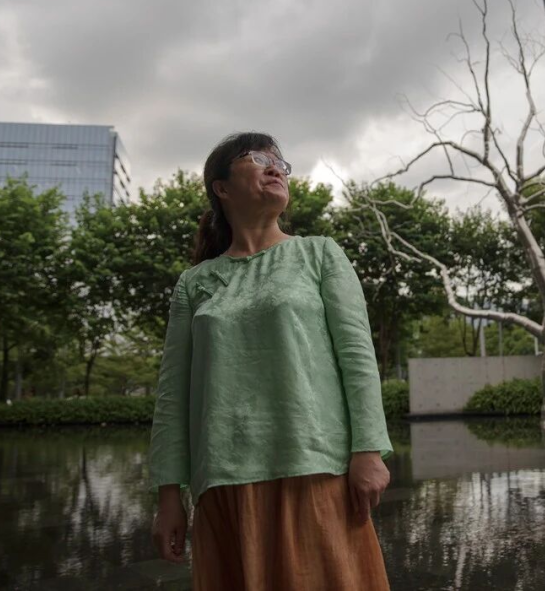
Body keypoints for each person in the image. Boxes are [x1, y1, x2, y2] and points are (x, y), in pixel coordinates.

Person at [148, 132, 394, 590]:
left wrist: (368, 451)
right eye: (258, 158)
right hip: (222, 478)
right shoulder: (193, 283)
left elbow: (358, 358)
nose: (276, 166)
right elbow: (172, 395)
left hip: (315, 466)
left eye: (280, 161)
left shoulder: (319, 254)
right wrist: (168, 497)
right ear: (222, 188)